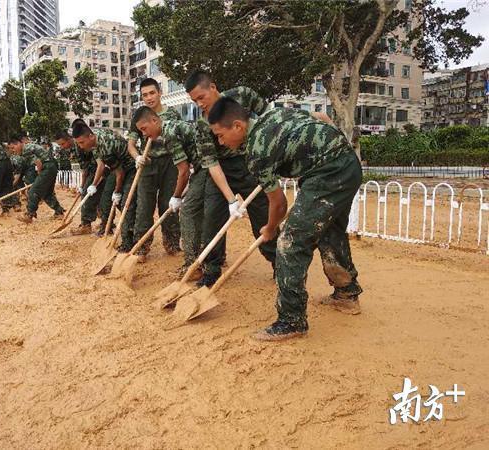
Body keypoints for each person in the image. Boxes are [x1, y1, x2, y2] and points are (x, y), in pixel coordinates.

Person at [208, 97, 363, 341]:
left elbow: (279, 204)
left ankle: (291, 320)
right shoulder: (272, 114)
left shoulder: (257, 151)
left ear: (238, 126)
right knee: (329, 231)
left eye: (220, 134)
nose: (220, 141)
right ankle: (346, 294)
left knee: (290, 243)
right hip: (348, 163)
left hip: (328, 173)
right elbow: (319, 117)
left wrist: (270, 229)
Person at [184, 70, 277, 287]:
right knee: (212, 219)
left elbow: (269, 120)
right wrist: (231, 200)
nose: (198, 104)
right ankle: (212, 269)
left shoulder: (243, 95)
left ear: (213, 88)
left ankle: (278, 264)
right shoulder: (202, 125)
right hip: (222, 172)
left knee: (263, 216)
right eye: (193, 100)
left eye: (201, 97)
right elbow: (212, 164)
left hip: (252, 164)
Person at [132, 106, 204, 276]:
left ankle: (195, 265)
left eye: (144, 129)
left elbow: (183, 170)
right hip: (204, 166)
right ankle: (207, 261)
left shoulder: (169, 133)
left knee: (189, 212)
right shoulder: (169, 128)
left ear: (155, 121)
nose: (143, 134)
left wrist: (176, 196)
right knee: (202, 212)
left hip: (207, 166)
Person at [127, 78, 182, 259]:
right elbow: (131, 145)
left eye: (152, 93)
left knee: (169, 205)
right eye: (145, 95)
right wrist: (138, 157)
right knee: (144, 207)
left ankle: (172, 243)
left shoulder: (172, 114)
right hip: (148, 165)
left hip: (170, 164)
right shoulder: (139, 116)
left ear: (159, 92)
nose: (149, 97)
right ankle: (141, 247)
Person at [72, 123, 137, 251]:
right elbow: (100, 165)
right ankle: (121, 226)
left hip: (131, 167)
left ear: (90, 136)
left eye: (81, 142)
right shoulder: (94, 143)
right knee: (106, 199)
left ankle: (129, 241)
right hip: (118, 168)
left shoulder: (106, 146)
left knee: (125, 203)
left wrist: (117, 191)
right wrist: (93, 185)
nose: (80, 146)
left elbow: (120, 173)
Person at [14, 136, 65, 223]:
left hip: (47, 167)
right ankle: (59, 212)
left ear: (19, 143)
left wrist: (40, 174)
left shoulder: (26, 149)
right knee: (47, 193)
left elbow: (38, 162)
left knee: (33, 191)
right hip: (52, 166)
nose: (13, 150)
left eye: (13, 147)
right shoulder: (29, 146)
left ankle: (29, 214)